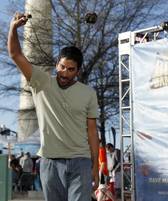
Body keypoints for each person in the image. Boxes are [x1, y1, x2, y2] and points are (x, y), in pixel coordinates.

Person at [8, 13, 100, 201]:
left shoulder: (89, 93)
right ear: (56, 64)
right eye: (62, 67)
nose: (64, 73)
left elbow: (92, 131)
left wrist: (95, 167)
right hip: (50, 163)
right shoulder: (41, 82)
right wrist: (13, 29)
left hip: (81, 161)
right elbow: (15, 54)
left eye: (71, 69)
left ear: (78, 70)